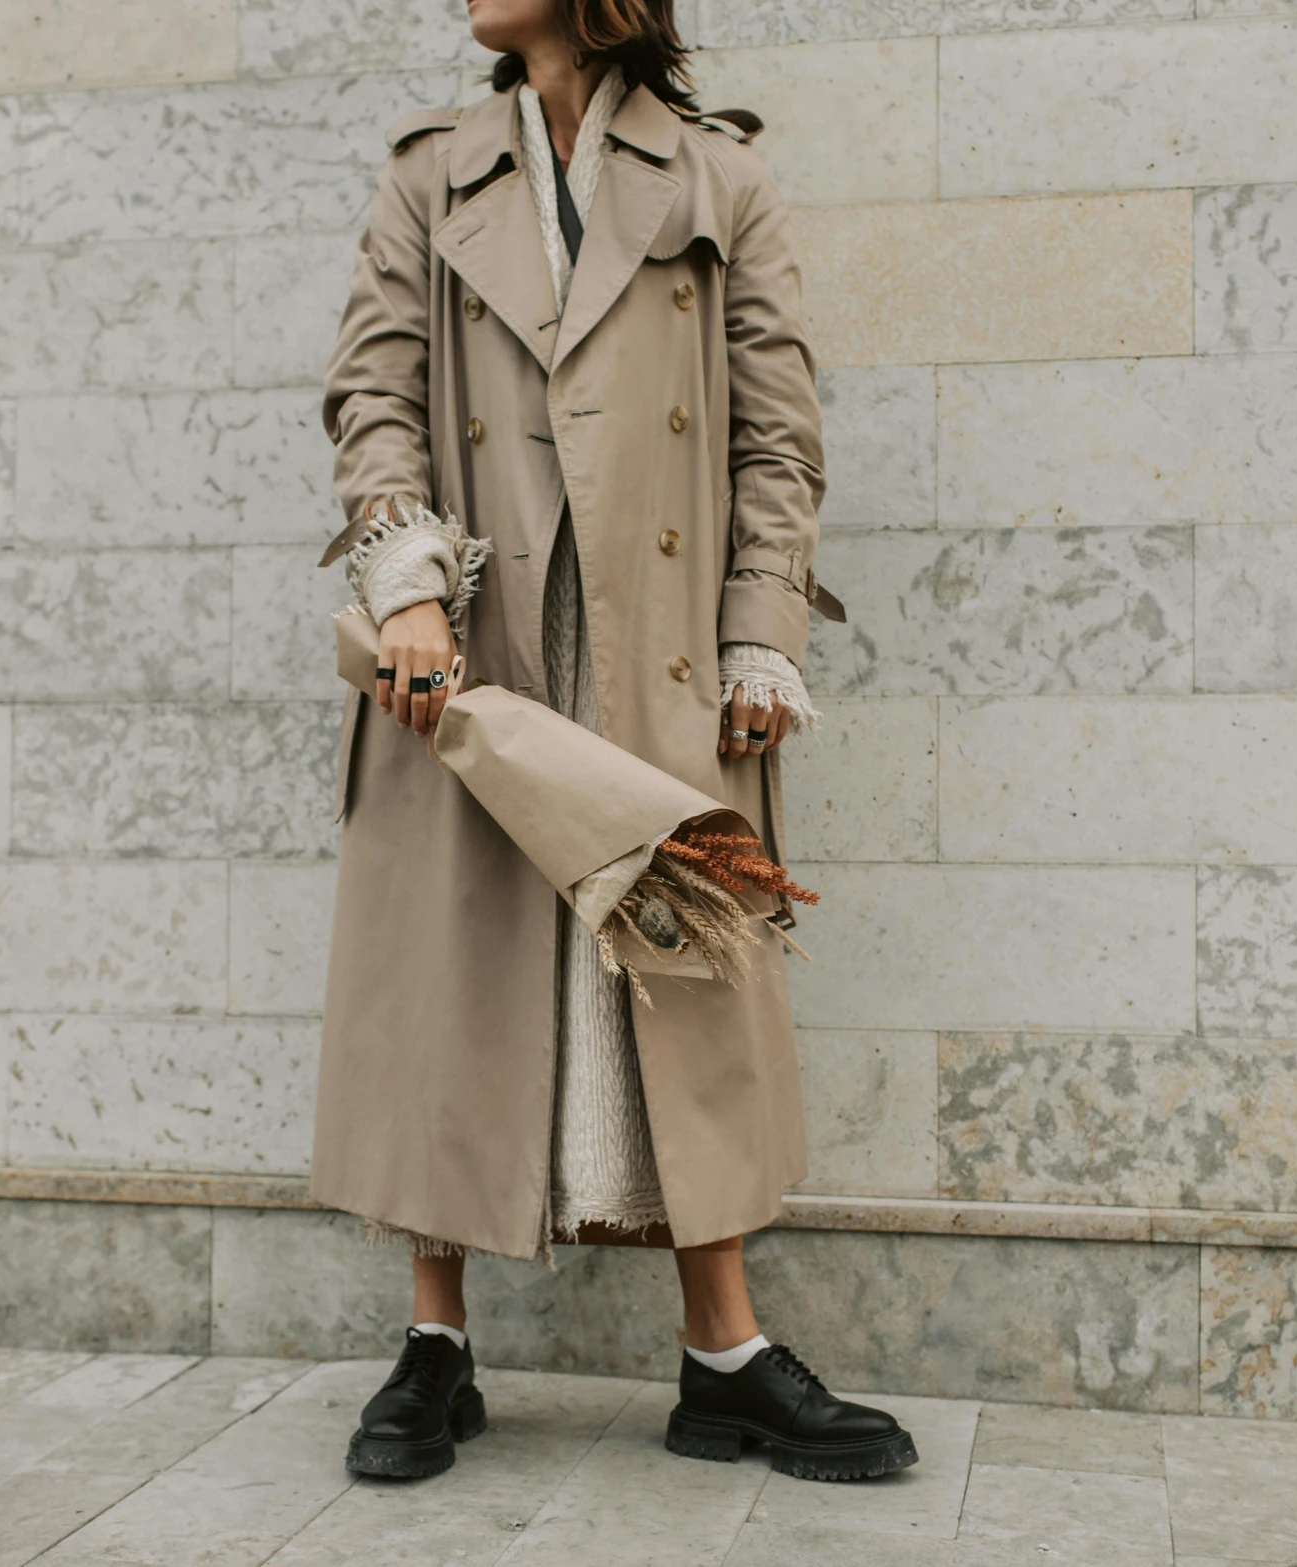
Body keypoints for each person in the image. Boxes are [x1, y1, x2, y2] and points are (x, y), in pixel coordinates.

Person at [312, 0, 915, 1484]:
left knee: (679, 963)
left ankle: (723, 1354)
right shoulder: (432, 170)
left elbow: (778, 429)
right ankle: (435, 1346)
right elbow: (372, 394)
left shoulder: (718, 180)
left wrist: (759, 626)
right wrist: (404, 584)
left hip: (655, 645)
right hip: (473, 634)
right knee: (455, 982)